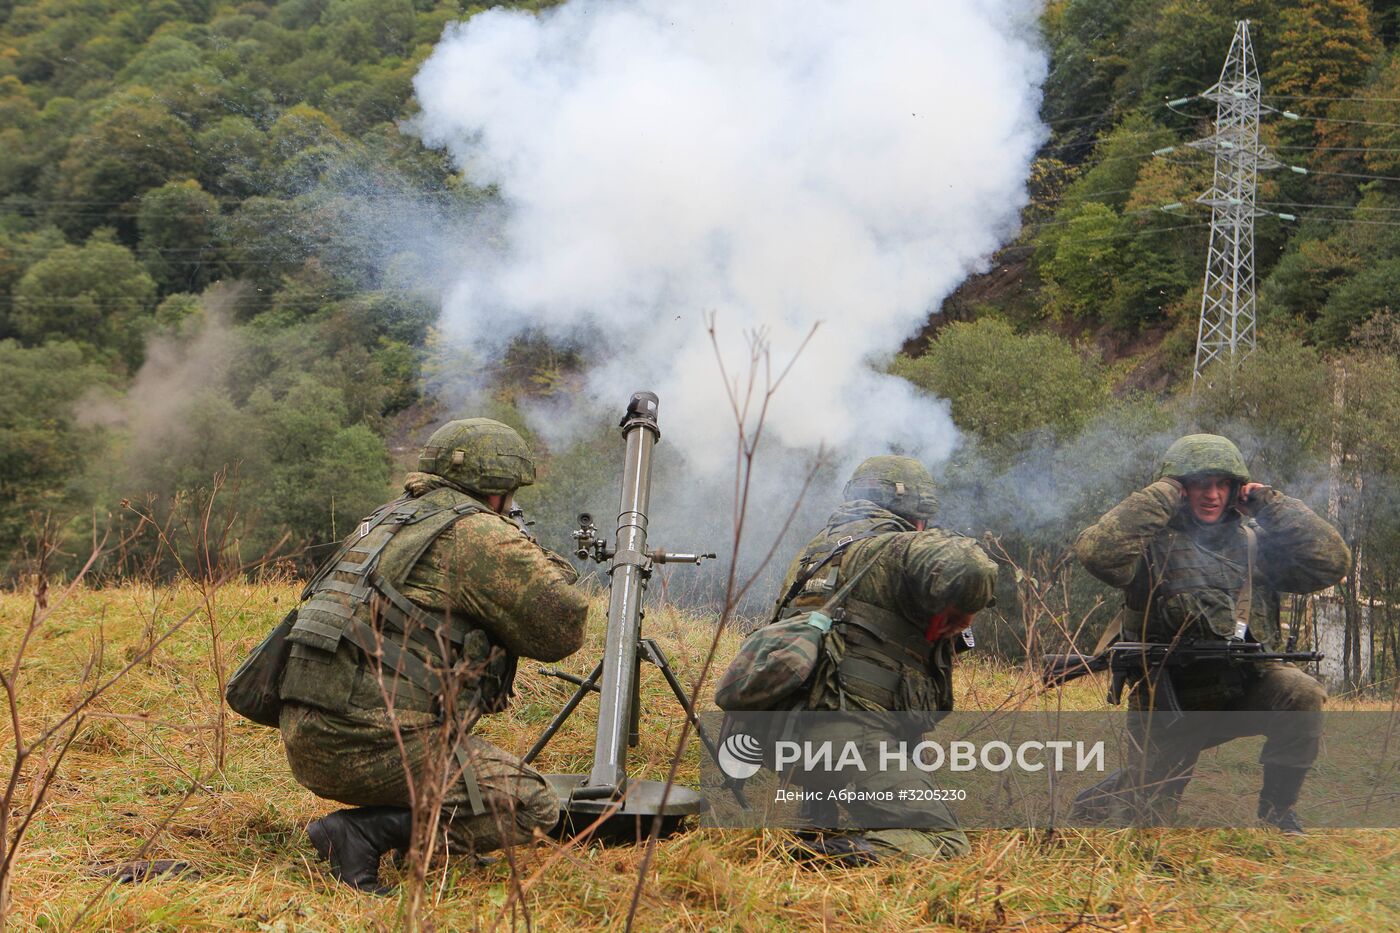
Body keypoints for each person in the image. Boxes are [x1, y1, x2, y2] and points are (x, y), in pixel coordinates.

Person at [277, 418, 590, 893]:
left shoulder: (387, 518)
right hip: (368, 742)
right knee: (532, 806)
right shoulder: (477, 533)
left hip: (307, 731)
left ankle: (393, 823)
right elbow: (561, 631)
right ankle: (362, 832)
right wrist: (542, 560)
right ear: (496, 491)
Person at [1072, 433, 1349, 833]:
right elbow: (1096, 552)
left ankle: (1277, 812)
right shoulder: (1149, 549)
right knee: (1147, 818)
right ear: (1182, 490)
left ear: (1237, 489)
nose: (1212, 495)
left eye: (1223, 484)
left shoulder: (1257, 547)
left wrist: (1270, 503)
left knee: (1300, 693)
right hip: (1171, 701)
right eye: (1200, 483)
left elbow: (1332, 562)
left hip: (1244, 688)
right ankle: (1105, 797)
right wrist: (1163, 493)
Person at [774, 455, 998, 865]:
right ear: (917, 514)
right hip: (848, 741)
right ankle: (822, 858)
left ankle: (816, 822)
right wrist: (965, 608)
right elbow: (973, 566)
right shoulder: (895, 547)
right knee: (944, 844)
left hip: (784, 738)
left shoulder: (812, 557)